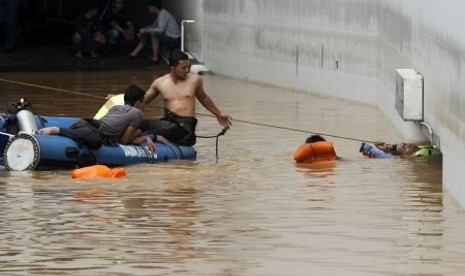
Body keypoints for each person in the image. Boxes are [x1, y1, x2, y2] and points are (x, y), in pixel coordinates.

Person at [140, 49, 232, 146]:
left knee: (147, 134)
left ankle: (143, 138)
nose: (186, 70)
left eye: (187, 67)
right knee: (138, 125)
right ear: (173, 68)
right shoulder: (159, 83)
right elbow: (142, 101)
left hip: (184, 127)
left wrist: (218, 114)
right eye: (183, 68)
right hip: (167, 123)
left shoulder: (195, 80)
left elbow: (204, 98)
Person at [39, 85, 156, 153]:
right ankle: (56, 130)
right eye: (144, 102)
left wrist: (141, 136)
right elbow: (124, 141)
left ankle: (54, 134)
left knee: (89, 136)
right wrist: (141, 135)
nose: (145, 105)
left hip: (86, 123)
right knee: (96, 142)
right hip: (93, 132)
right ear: (137, 102)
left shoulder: (116, 107)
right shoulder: (137, 113)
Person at [129, 0, 181, 64]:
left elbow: (160, 29)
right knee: (147, 33)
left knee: (154, 34)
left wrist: (146, 30)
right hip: (168, 37)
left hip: (174, 39)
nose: (148, 9)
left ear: (153, 7)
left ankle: (155, 58)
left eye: (149, 7)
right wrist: (145, 30)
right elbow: (153, 26)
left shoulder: (163, 14)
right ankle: (134, 54)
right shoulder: (160, 14)